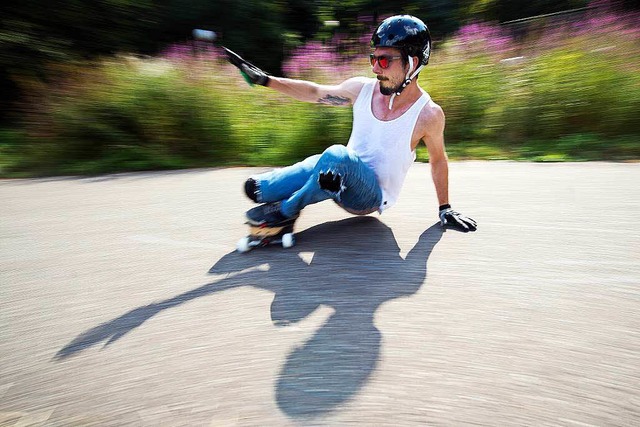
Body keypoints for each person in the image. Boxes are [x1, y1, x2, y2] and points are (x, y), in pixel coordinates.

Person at [225, 15, 477, 233]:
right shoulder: (362, 89)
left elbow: (438, 160)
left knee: (337, 155)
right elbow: (315, 92)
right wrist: (266, 80)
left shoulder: (428, 115)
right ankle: (292, 195)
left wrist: (445, 208)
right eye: (373, 59)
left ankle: (285, 212)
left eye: (385, 60)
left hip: (369, 196)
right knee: (257, 189)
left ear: (412, 63)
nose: (376, 68)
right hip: (335, 172)